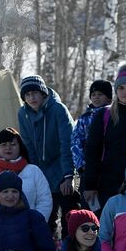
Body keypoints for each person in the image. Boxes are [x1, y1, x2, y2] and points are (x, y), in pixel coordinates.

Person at [18, 74, 77, 232]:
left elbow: (67, 144)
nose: (32, 98)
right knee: (44, 220)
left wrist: (68, 176)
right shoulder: (23, 114)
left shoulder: (58, 109)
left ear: (43, 93)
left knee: (69, 219)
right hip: (42, 173)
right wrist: (36, 175)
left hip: (61, 168)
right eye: (28, 94)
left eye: (35, 93)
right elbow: (29, 146)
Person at [81, 73, 126, 211]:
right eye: (121, 87)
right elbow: (92, 151)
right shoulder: (104, 115)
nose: (125, 91)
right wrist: (90, 184)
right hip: (107, 182)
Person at [0, 128, 53, 219]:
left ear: (20, 147)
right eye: (3, 145)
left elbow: (44, 200)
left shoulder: (33, 171)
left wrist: (36, 223)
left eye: (13, 144)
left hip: (28, 228)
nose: (8, 148)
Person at [70, 79, 113, 191]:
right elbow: (76, 141)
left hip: (109, 166)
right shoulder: (84, 118)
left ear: (109, 97)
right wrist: (81, 165)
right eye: (93, 94)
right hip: (88, 167)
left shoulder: (114, 115)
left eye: (100, 94)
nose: (96, 97)